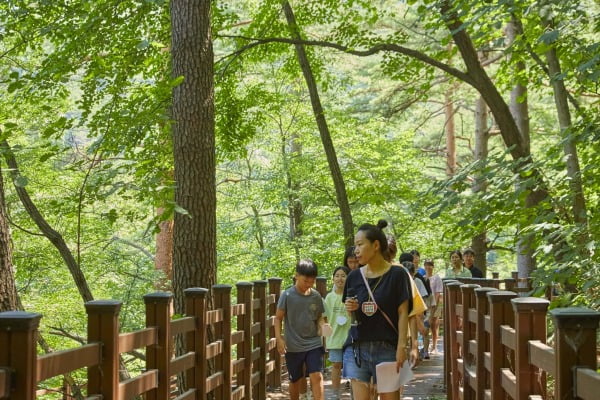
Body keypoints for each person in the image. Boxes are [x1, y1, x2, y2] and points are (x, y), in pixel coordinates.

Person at [343, 220, 412, 400]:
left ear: (375, 245)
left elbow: (403, 312)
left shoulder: (398, 274)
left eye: (360, 245)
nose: (355, 250)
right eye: (354, 246)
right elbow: (349, 311)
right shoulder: (354, 276)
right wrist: (351, 308)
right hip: (357, 347)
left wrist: (402, 347)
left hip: (388, 347)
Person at [275, 259, 329, 400]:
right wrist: (279, 339)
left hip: (313, 343)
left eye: (312, 281)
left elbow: (319, 317)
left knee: (316, 375)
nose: (309, 285)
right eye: (306, 281)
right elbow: (278, 318)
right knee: (295, 379)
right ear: (296, 276)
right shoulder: (287, 295)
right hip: (293, 345)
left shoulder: (316, 296)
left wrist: (323, 326)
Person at [324, 266, 352, 399]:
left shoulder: (352, 296)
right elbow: (324, 318)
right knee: (336, 365)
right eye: (337, 276)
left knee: (352, 367)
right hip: (335, 337)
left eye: (343, 275)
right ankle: (335, 394)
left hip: (351, 337)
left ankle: (355, 393)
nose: (340, 279)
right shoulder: (329, 297)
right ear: (333, 279)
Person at [424, 259, 443, 355]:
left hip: (435, 303)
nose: (428, 267)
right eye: (426, 265)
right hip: (426, 304)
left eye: (430, 265)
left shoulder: (437, 278)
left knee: (434, 325)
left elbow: (438, 292)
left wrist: (434, 304)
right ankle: (426, 346)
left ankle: (435, 346)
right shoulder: (423, 278)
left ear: (433, 266)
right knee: (426, 324)